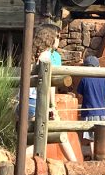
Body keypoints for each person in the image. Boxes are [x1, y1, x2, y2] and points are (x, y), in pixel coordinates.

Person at [29, 24, 79, 162]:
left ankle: (74, 163)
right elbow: (49, 85)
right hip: (37, 101)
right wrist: (52, 106)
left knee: (41, 136)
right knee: (41, 137)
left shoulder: (33, 55)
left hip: (28, 100)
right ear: (50, 38)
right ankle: (16, 160)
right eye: (57, 37)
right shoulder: (46, 56)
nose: (59, 40)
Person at [76, 55, 105, 159]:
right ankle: (103, 157)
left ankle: (94, 158)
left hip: (89, 112)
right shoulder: (102, 79)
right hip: (101, 112)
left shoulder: (84, 79)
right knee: (101, 136)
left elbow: (79, 95)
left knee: (92, 139)